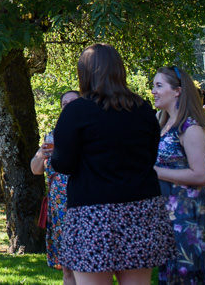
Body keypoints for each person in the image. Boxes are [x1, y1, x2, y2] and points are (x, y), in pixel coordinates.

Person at [51, 44, 173, 284]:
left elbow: (62, 164)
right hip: (141, 210)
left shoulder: (77, 111)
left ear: (85, 73)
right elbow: (150, 156)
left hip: (92, 212)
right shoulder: (142, 109)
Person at [152, 66, 205, 283]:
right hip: (167, 221)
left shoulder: (189, 128)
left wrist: (155, 172)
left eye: (159, 85)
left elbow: (200, 175)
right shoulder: (163, 126)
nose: (153, 91)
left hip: (187, 224)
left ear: (178, 91)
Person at [30, 90, 80, 285]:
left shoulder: (88, 134)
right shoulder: (52, 136)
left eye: (72, 102)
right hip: (58, 210)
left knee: (84, 266)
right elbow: (35, 170)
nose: (67, 106)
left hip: (80, 204)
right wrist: (41, 154)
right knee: (67, 269)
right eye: (64, 103)